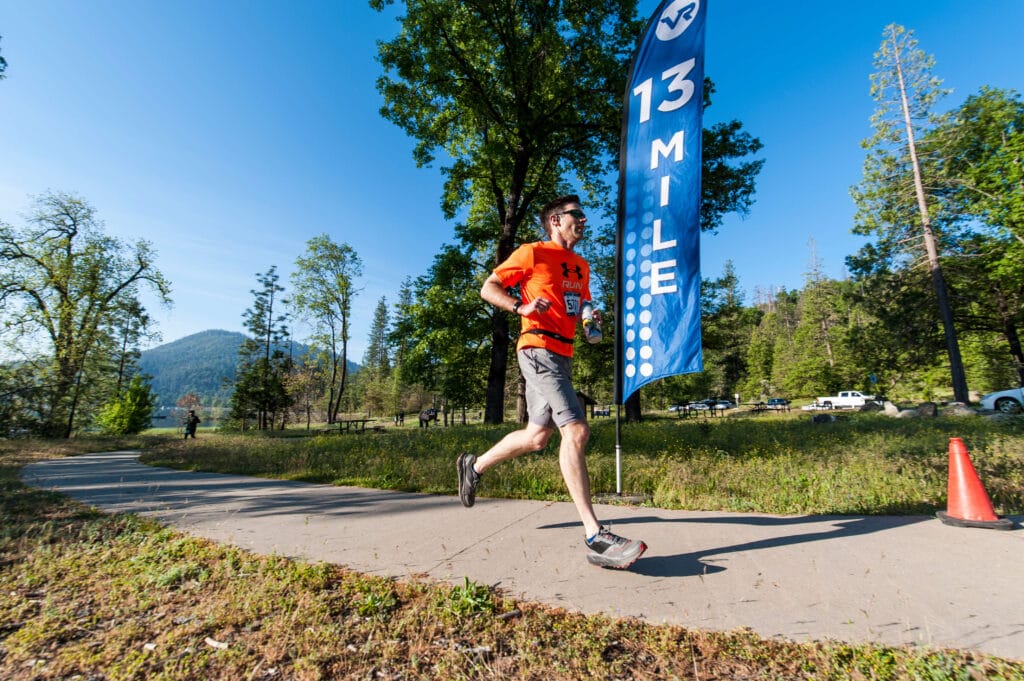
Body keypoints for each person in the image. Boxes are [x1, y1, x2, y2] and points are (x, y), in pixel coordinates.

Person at [456, 195, 647, 569]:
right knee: (575, 432)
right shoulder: (532, 253)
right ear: (556, 220)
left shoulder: (581, 265)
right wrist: (519, 306)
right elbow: (488, 287)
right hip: (537, 348)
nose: (584, 220)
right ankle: (595, 535)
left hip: (563, 353)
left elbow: (582, 303)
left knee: (536, 437)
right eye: (577, 215)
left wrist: (593, 317)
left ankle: (473, 466)